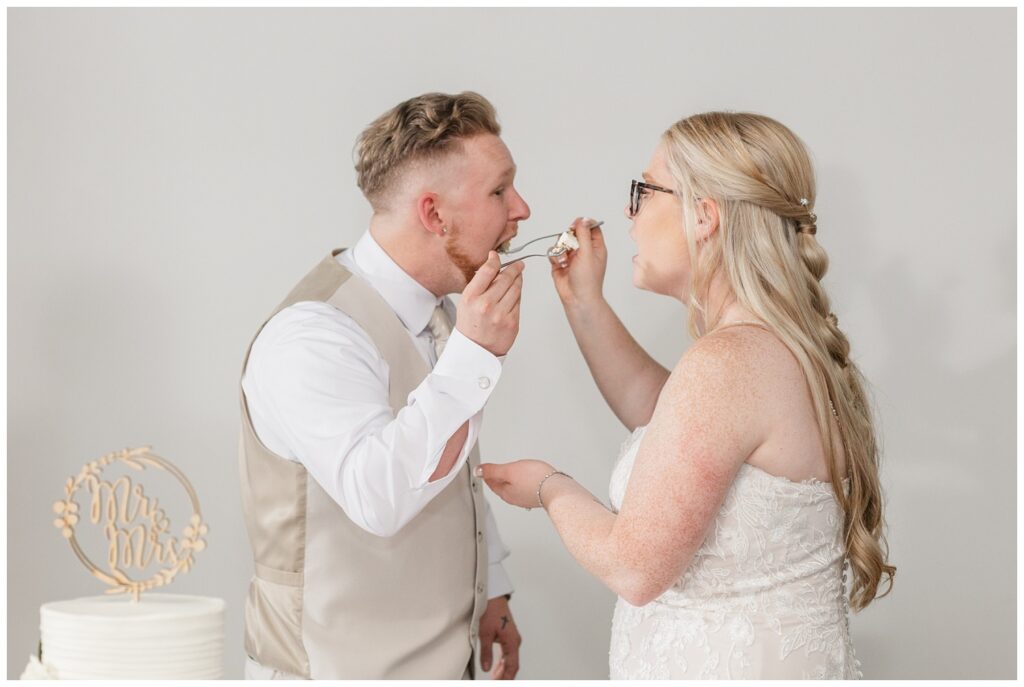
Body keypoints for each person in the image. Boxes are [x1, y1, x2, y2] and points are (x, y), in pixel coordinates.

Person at [478, 112, 896, 679]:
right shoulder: (765, 350)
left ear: (704, 216)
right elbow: (669, 419)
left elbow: (634, 568)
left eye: (644, 191)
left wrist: (549, 488)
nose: (628, 214)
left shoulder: (729, 363)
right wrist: (585, 303)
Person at [238, 91, 529, 679]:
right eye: (499, 191)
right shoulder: (312, 337)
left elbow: (455, 466)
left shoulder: (443, 313)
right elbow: (379, 496)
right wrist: (474, 356)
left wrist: (490, 587)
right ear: (434, 214)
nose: (521, 209)